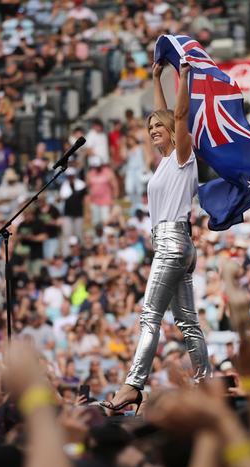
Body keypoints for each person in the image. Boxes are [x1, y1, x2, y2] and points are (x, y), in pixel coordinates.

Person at [101, 61, 210, 413]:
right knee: (186, 321)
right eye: (149, 128)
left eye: (157, 127)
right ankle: (204, 380)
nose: (152, 131)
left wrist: (184, 75)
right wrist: (155, 80)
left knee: (150, 315)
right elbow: (165, 114)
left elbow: (178, 116)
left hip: (173, 242)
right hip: (177, 243)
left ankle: (133, 384)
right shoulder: (165, 161)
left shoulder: (183, 156)